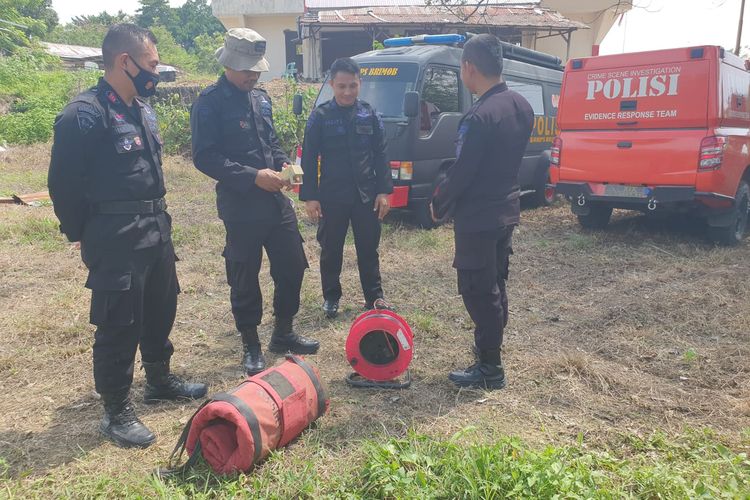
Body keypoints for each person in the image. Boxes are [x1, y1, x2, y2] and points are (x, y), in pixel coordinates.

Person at [48, 24, 207, 449]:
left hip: (156, 228)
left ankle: (158, 379)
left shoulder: (142, 108)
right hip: (115, 236)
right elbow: (62, 185)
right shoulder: (84, 113)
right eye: (152, 64)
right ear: (126, 62)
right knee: (119, 323)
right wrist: (85, 235)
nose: (156, 72)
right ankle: (116, 409)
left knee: (160, 308)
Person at [190, 28, 319, 376]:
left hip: (275, 202)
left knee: (293, 264)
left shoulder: (261, 99)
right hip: (241, 204)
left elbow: (271, 142)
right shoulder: (210, 101)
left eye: (256, 69)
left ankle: (283, 331)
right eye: (246, 68)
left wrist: (283, 166)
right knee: (244, 274)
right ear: (229, 64)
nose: (252, 74)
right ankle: (251, 343)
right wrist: (252, 176)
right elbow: (204, 157)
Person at [431, 34, 534, 390]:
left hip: (478, 217)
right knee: (496, 282)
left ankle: (490, 367)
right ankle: (490, 352)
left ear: (469, 68)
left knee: (478, 289)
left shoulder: (479, 116)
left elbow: (463, 171)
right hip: (506, 209)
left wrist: (438, 203)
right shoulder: (522, 106)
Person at [300, 57, 393, 319]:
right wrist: (310, 197)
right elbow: (308, 157)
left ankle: (374, 297)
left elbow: (381, 153)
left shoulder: (369, 113)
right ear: (331, 85)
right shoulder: (320, 117)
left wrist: (384, 192)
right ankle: (331, 297)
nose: (347, 92)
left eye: (352, 86)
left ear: (359, 84)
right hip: (332, 196)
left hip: (366, 196)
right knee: (331, 249)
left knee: (368, 248)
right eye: (341, 86)